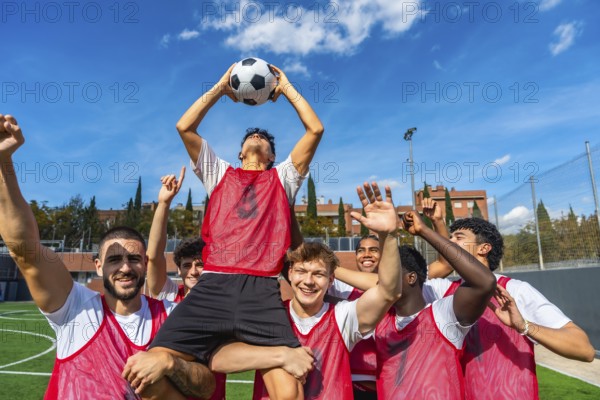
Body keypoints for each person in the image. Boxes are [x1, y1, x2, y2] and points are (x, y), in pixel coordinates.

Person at [0, 114, 215, 400]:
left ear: (145, 264)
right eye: (114, 259)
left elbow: (206, 385)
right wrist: (4, 162)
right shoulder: (74, 307)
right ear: (98, 266)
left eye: (134, 259)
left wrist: (171, 363)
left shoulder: (171, 314)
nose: (125, 267)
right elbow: (24, 249)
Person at [149, 64, 324, 399]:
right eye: (250, 137)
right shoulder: (219, 174)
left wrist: (285, 86)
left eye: (265, 140)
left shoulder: (283, 178)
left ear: (273, 157)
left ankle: (275, 356)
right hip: (213, 285)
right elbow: (184, 126)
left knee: (290, 393)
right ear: (240, 152)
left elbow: (314, 130)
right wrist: (220, 87)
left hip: (262, 289)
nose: (257, 138)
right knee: (151, 370)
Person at [238, 181, 402, 399]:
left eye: (318, 274)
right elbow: (221, 358)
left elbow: (389, 292)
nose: (308, 281)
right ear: (290, 274)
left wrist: (388, 236)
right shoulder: (271, 315)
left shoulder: (343, 316)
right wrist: (279, 356)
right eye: (301, 272)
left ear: (330, 280)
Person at [427, 216, 595, 399]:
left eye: (458, 238)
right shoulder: (441, 291)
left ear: (483, 248)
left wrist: (524, 326)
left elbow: (584, 350)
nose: (449, 242)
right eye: (449, 238)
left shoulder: (515, 290)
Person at [374, 209, 497, 400]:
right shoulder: (378, 320)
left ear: (411, 277)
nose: (381, 280)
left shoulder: (443, 315)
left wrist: (424, 230)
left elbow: (484, 282)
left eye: (389, 273)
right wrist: (384, 234)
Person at [144, 167, 227, 399]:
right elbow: (153, 256)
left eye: (199, 264)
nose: (193, 271)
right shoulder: (170, 295)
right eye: (186, 265)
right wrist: (164, 203)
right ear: (179, 270)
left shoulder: (222, 301)